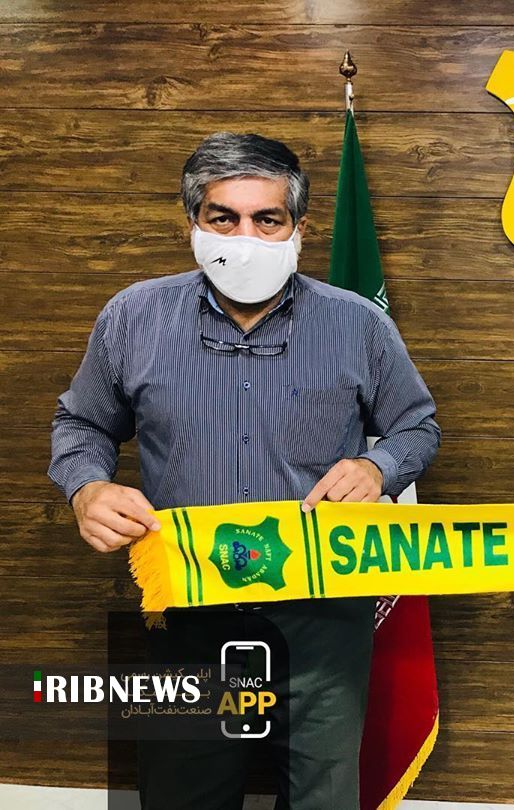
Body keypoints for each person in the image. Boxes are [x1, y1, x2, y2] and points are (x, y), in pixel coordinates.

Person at [48, 132, 441, 809]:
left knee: (323, 798)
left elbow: (417, 427)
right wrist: (86, 486)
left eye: (268, 219)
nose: (246, 237)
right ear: (192, 225)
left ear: (300, 228)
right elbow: (82, 423)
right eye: (223, 218)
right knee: (182, 796)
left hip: (324, 616)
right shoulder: (132, 318)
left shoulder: (357, 325)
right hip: (189, 610)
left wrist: (377, 467)